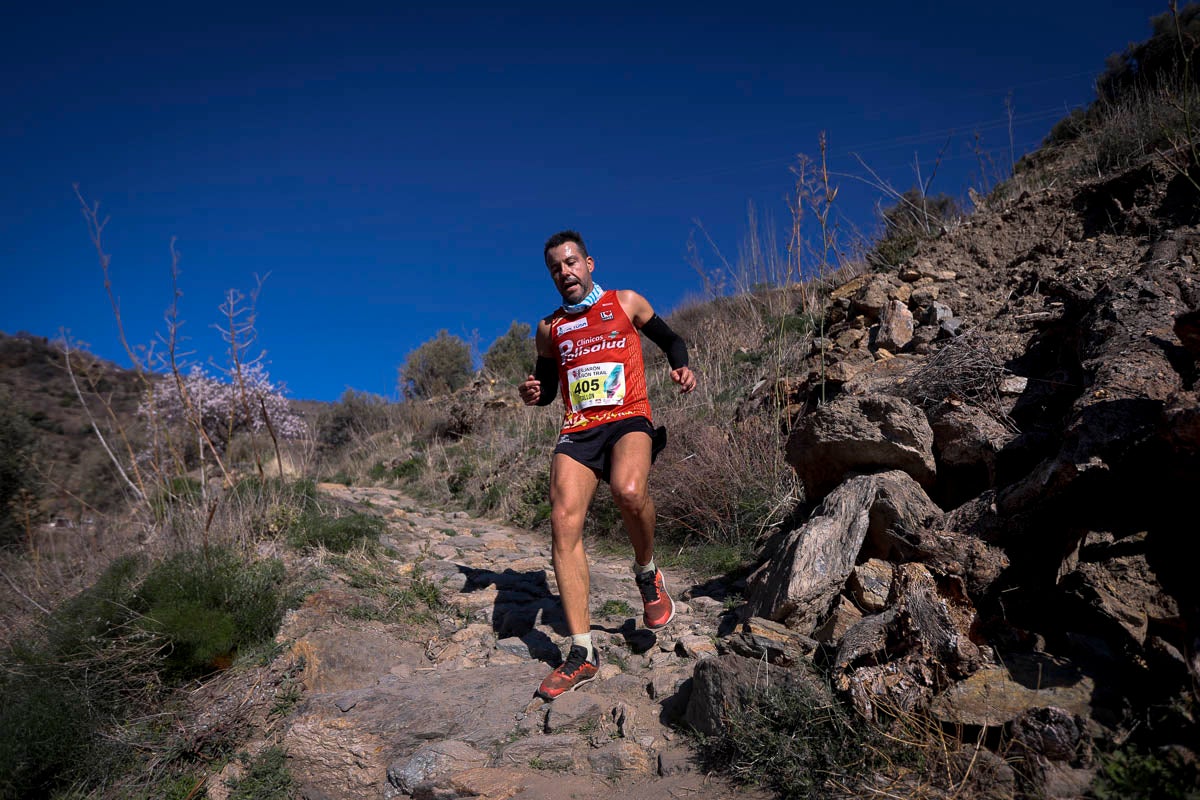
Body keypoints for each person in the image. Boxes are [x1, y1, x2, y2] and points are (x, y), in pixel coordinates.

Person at [519, 230, 696, 700]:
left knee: (629, 491)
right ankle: (582, 652)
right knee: (562, 522)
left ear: (589, 263)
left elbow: (671, 339)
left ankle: (646, 573)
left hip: (628, 419)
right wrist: (536, 393)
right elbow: (548, 386)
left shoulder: (626, 302)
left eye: (571, 262)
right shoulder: (549, 328)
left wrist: (681, 366)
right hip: (578, 429)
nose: (565, 272)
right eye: (556, 268)